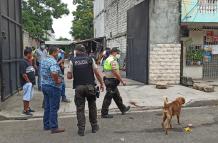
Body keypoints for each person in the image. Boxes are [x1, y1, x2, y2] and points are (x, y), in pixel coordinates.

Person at [67, 44, 104, 136]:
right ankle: (94, 127)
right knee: (92, 107)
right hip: (90, 87)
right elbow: (97, 73)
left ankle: (81, 130)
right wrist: (102, 83)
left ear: (76, 51)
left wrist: (72, 73)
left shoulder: (72, 61)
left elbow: (69, 76)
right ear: (84, 51)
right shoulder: (90, 59)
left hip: (79, 87)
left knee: (80, 109)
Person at [40, 46, 65, 134]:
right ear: (54, 53)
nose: (58, 54)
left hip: (44, 85)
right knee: (54, 107)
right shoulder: (53, 62)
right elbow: (54, 72)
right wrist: (57, 80)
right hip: (53, 87)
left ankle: (46, 125)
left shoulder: (44, 60)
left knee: (47, 106)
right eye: (58, 52)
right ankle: (54, 127)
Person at [101, 47, 130, 118]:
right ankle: (104, 113)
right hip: (111, 81)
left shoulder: (107, 59)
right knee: (108, 98)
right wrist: (122, 81)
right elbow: (115, 72)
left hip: (109, 80)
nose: (118, 54)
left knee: (117, 96)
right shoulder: (112, 60)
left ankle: (123, 108)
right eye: (117, 53)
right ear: (114, 52)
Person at [20, 47, 36, 115]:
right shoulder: (23, 62)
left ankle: (28, 108)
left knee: (29, 96)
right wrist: (28, 82)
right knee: (26, 96)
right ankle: (25, 110)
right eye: (31, 53)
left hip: (30, 83)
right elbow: (24, 74)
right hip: (27, 83)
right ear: (28, 54)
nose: (32, 54)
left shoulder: (28, 61)